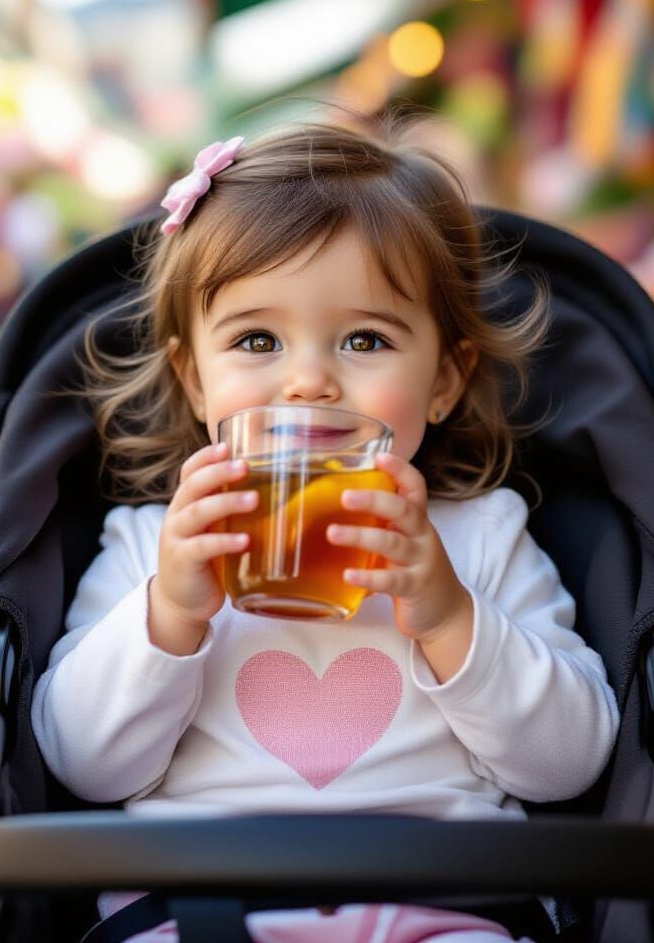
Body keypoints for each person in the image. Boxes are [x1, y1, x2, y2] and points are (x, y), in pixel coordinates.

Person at [32, 122, 621, 942]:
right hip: (201, 904)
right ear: (195, 379)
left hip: (444, 904)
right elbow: (83, 765)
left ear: (444, 380)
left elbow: (571, 764)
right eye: (258, 340)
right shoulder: (146, 546)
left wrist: (452, 617)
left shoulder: (484, 536)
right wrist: (168, 612)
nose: (309, 379)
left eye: (365, 339)